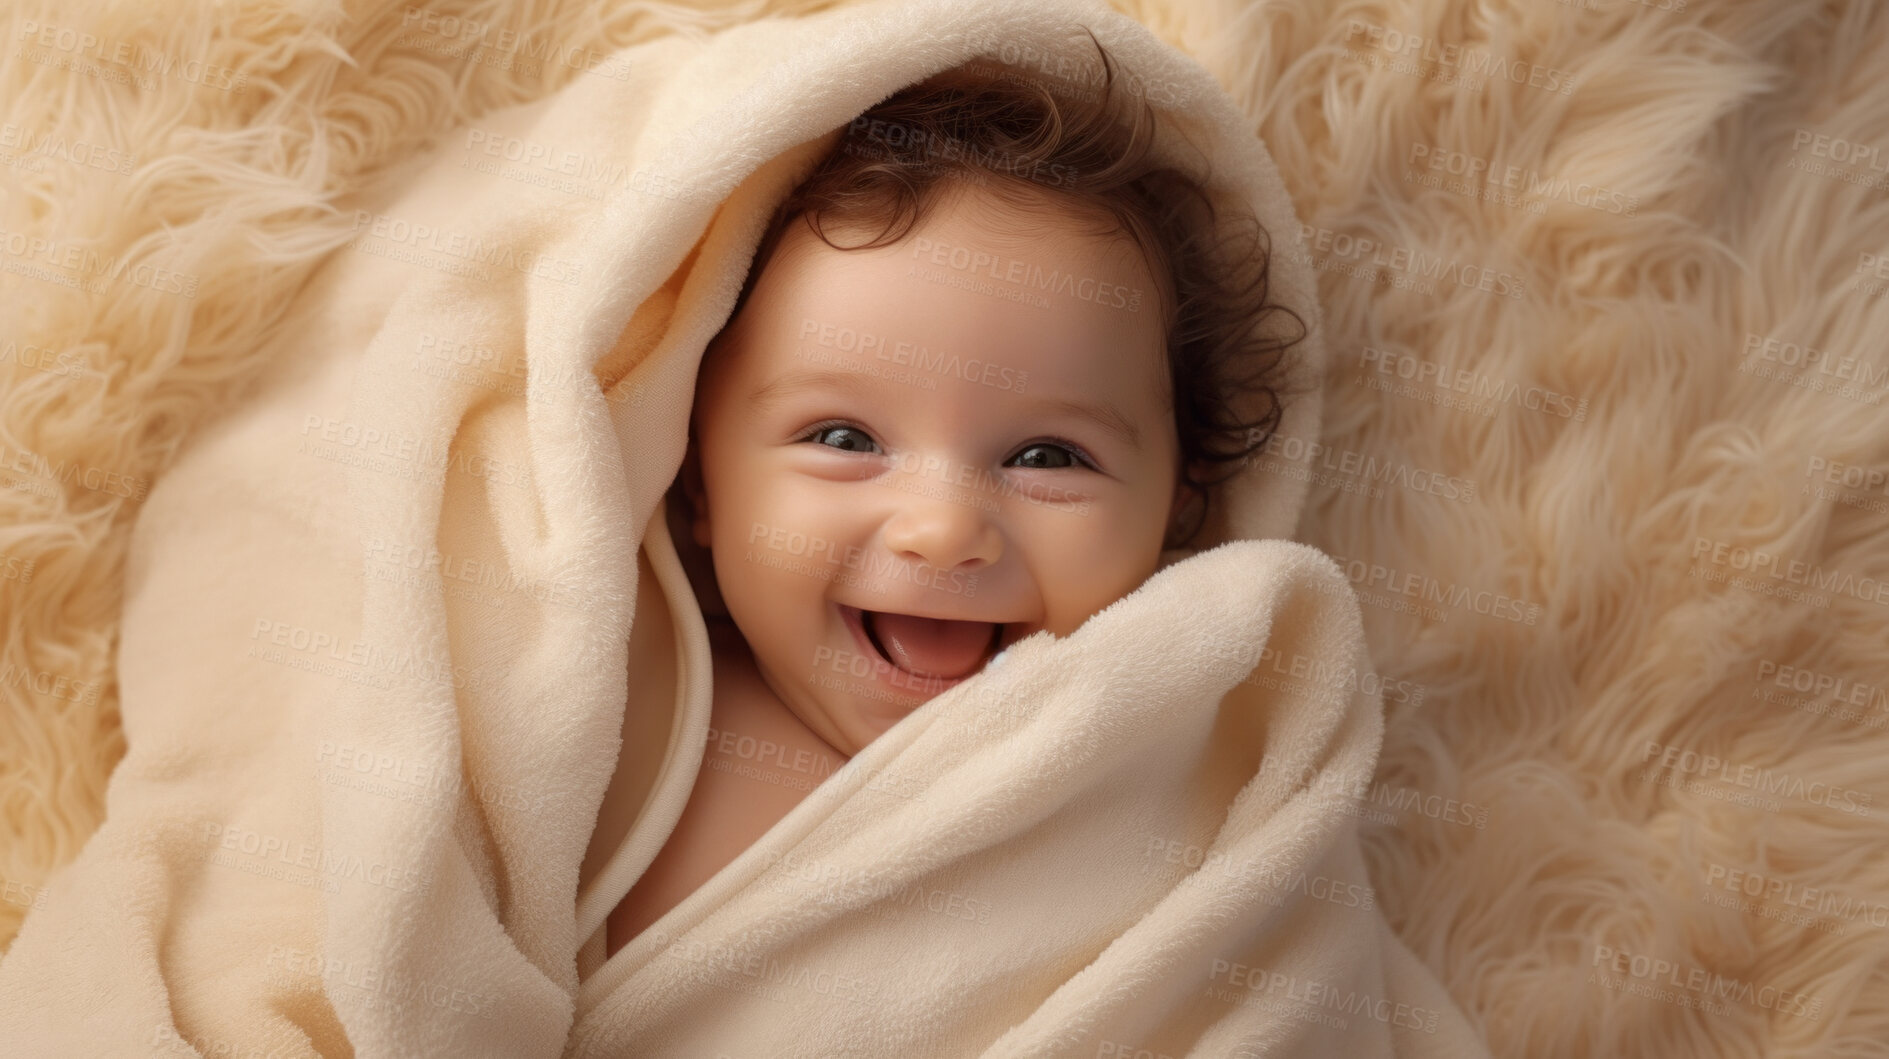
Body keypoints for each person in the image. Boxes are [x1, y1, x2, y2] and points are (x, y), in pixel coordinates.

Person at [603, 32, 1309, 957]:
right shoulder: (616, 704)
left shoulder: (1187, 772)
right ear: (702, 481)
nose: (942, 531)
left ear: (1181, 501)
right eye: (844, 440)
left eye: (1049, 457)